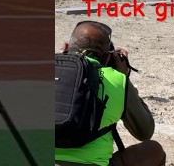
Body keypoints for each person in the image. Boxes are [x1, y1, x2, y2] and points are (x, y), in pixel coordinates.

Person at [56, 21, 165, 166]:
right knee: (153, 150)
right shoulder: (116, 80)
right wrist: (124, 77)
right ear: (108, 58)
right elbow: (144, 132)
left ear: (65, 48)